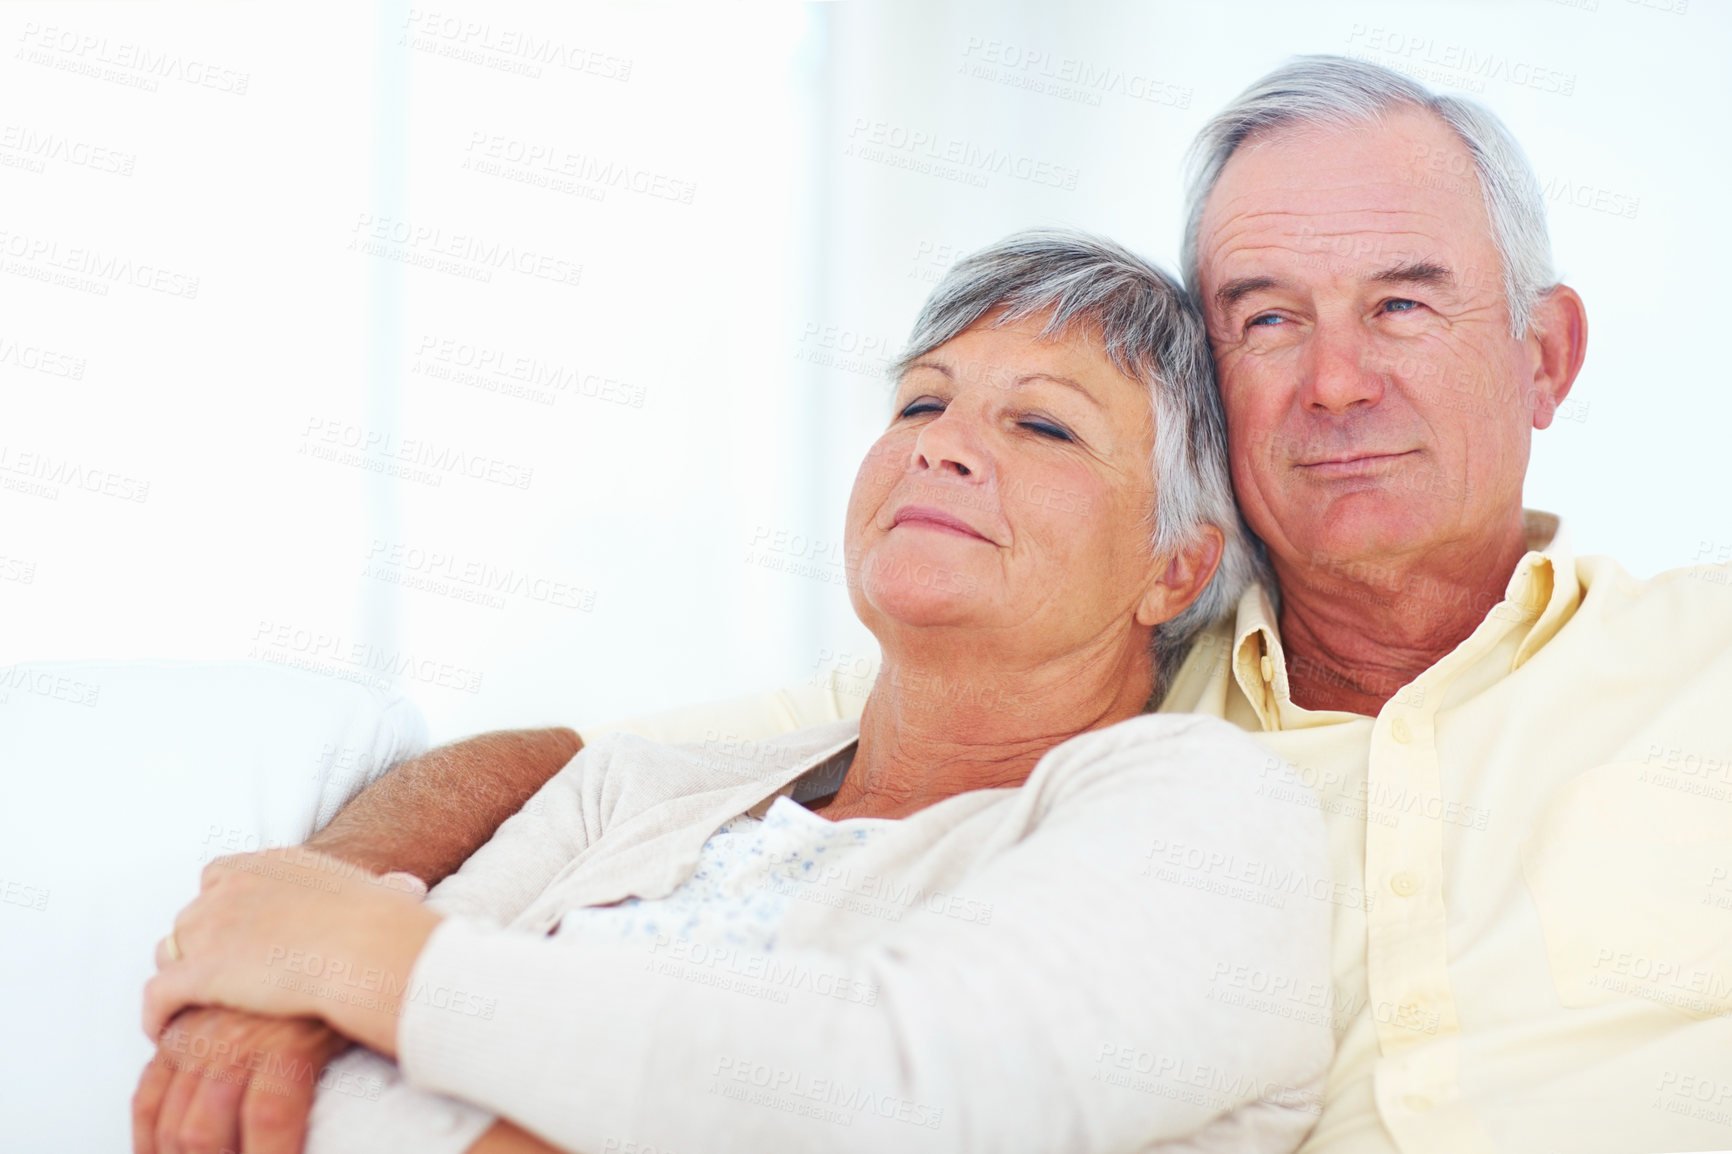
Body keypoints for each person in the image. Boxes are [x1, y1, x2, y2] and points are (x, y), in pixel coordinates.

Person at [136, 55, 1732, 1154]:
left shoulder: (1695, 662)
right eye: (1263, 317)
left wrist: (371, 977)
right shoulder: (1067, 694)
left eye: (1404, 303)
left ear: (1543, 355)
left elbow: (881, 1081)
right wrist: (275, 973)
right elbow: (571, 765)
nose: (1332, 381)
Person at [138, 231, 1333, 1153]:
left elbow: (888, 1094)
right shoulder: (635, 788)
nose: (943, 442)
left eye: (1041, 424)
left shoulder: (1212, 813)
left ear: (1173, 565)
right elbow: (315, 1098)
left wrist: (369, 959)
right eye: (922, 400)